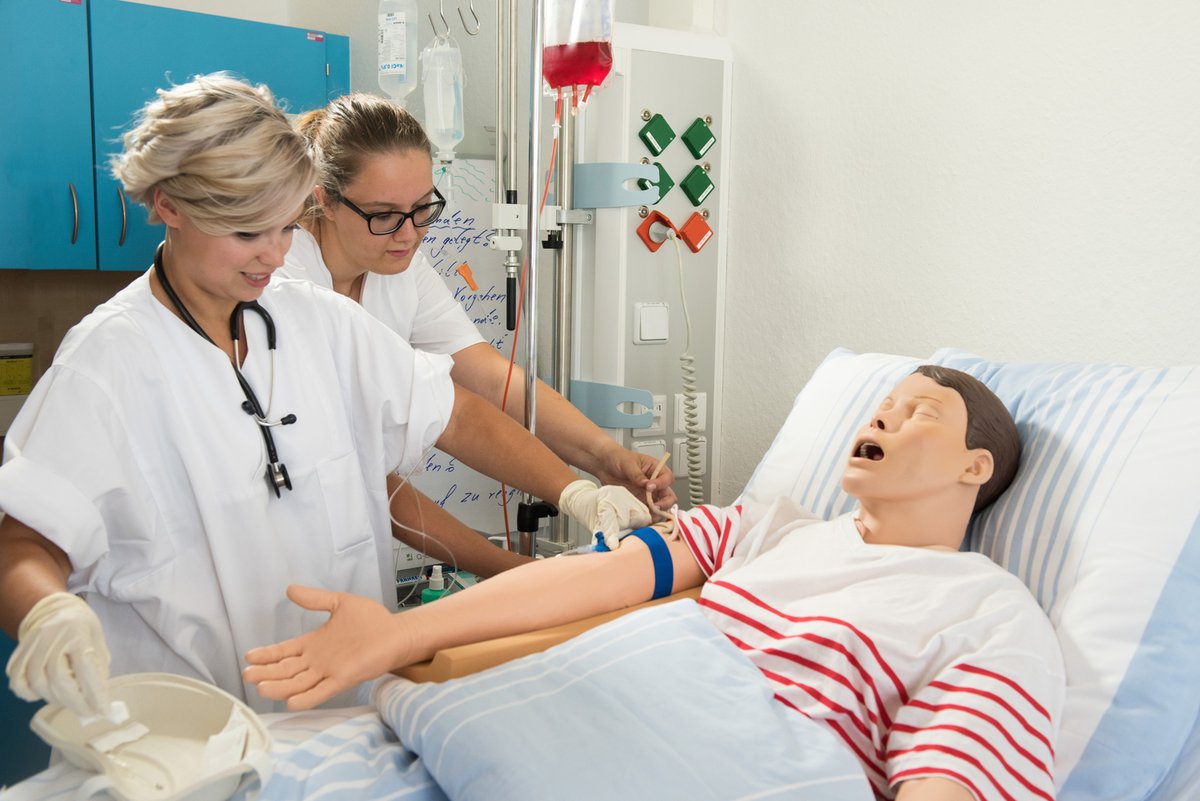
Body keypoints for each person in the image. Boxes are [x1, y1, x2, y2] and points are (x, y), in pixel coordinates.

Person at [0, 73, 651, 718]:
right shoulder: (107, 363)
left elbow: (458, 414)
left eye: (285, 227)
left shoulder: (316, 318)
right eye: (248, 232)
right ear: (168, 204)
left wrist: (578, 492)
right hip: (196, 734)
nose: (274, 256)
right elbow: (21, 544)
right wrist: (48, 611)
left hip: (346, 717)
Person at [245, 365, 1065, 801]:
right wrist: (403, 632)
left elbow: (947, 778)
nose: (880, 416)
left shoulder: (988, 612)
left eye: (918, 411)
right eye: (882, 401)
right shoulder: (767, 527)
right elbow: (605, 576)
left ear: (975, 466)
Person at [278, 93, 677, 575]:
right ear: (325, 198)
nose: (409, 234)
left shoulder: (399, 268)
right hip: (288, 548)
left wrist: (603, 460)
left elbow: (487, 378)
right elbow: (387, 469)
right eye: (383, 215)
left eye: (423, 208)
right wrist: (511, 570)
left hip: (357, 560)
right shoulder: (285, 283)